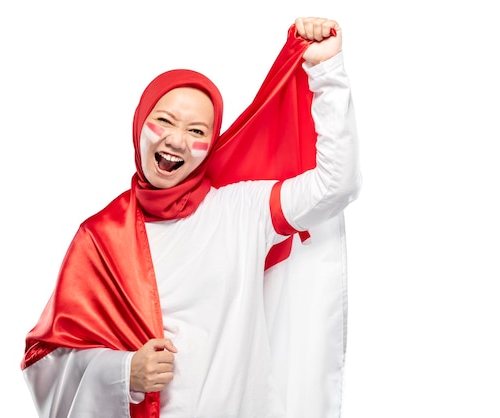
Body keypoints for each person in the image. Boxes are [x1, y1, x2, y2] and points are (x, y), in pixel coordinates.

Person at [21, 16, 361, 418]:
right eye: (164, 120)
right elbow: (45, 361)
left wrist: (326, 70)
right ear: (139, 123)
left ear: (211, 143)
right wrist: (124, 373)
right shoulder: (99, 236)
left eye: (197, 130)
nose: (177, 140)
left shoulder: (243, 210)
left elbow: (335, 185)